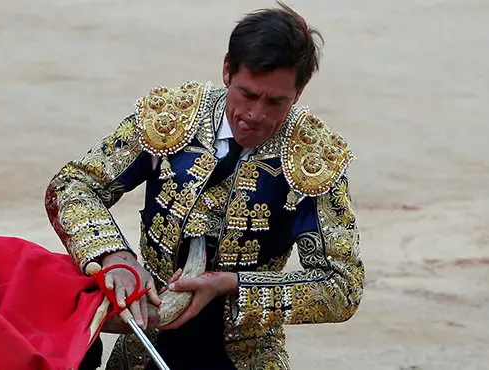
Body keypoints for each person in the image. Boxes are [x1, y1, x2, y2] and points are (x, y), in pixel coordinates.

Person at [44, 3, 365, 369]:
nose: (256, 115)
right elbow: (73, 184)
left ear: (299, 93)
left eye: (276, 101)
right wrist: (114, 257)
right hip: (145, 341)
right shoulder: (171, 119)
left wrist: (230, 284)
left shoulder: (314, 158)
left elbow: (342, 288)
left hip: (247, 352)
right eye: (247, 93)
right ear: (227, 70)